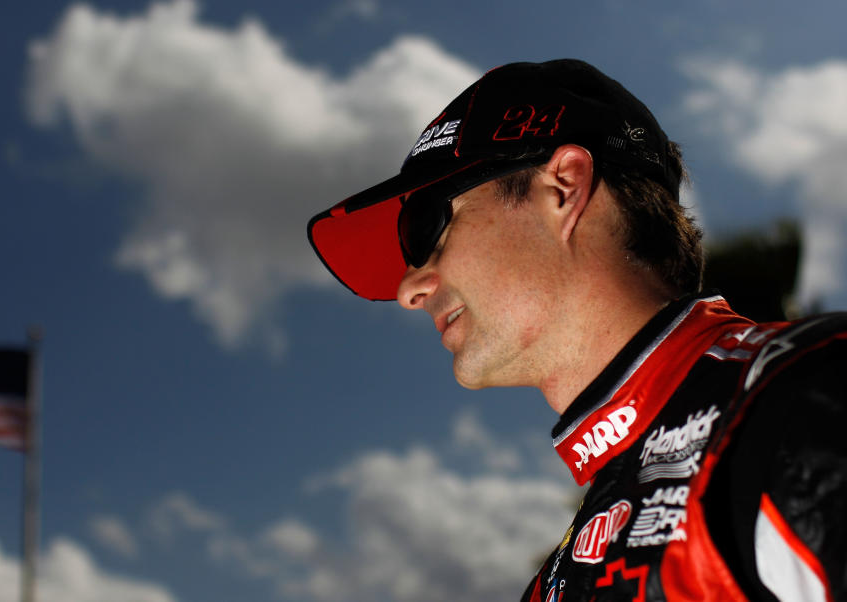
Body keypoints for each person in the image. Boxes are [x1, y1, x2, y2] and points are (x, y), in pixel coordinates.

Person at [307, 59, 847, 600]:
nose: (410, 290)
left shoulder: (805, 396)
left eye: (428, 229)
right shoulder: (561, 571)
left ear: (563, 187)